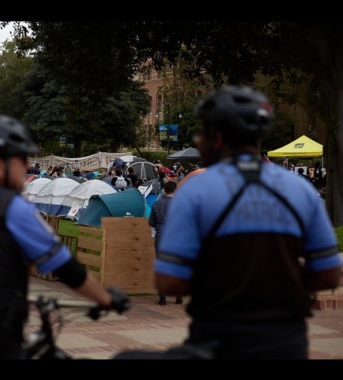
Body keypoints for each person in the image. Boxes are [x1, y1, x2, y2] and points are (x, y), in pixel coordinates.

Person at [116, 86, 342, 360]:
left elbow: (169, 281)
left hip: (218, 338)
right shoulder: (300, 189)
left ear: (218, 138)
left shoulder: (196, 190)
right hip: (286, 341)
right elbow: (330, 273)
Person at [0, 113, 130, 359]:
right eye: (20, 159)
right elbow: (66, 267)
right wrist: (106, 298)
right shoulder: (11, 207)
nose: (26, 167)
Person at [148, 180, 183, 306]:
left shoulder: (157, 204)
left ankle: (162, 297)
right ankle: (178, 296)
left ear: (164, 190)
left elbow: (151, 222)